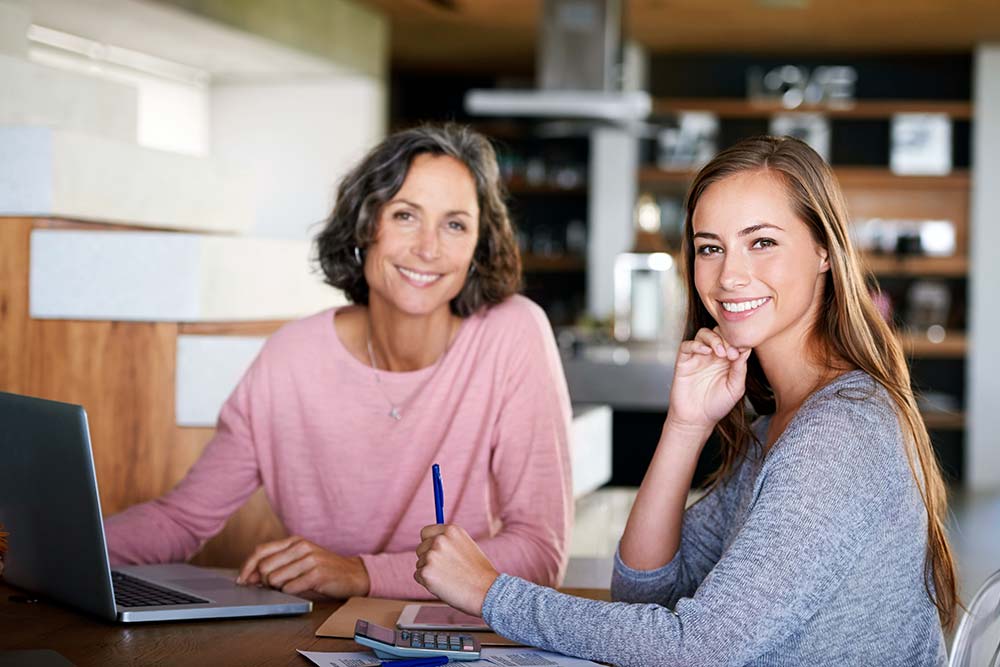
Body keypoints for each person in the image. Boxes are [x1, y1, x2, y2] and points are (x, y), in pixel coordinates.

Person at [414, 135, 957, 665]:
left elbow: (697, 647)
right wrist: (685, 424)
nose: (730, 275)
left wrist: (488, 592)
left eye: (762, 241)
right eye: (710, 248)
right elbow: (643, 591)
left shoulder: (838, 432)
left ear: (823, 251)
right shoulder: (776, 425)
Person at [104, 124, 574, 600]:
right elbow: (182, 519)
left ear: (478, 246)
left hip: (457, 643)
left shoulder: (512, 334)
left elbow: (540, 555)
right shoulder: (291, 357)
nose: (428, 248)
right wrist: (45, 548)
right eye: (406, 215)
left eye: (455, 224)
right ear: (365, 227)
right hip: (320, 638)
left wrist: (362, 573)